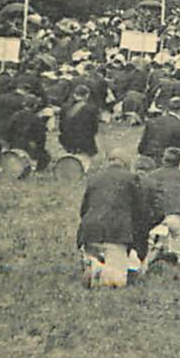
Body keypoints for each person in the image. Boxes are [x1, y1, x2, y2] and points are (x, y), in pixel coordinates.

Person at [77, 150, 146, 289]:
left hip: (90, 230)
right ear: (126, 163)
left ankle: (94, 264)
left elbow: (83, 209)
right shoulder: (131, 178)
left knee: (97, 256)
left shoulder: (94, 178)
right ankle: (99, 269)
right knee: (118, 282)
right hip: (116, 233)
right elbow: (139, 211)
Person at [59, 83, 102, 159]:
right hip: (85, 141)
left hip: (67, 140)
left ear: (75, 95)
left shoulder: (64, 108)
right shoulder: (91, 109)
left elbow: (61, 126)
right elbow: (94, 128)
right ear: (87, 95)